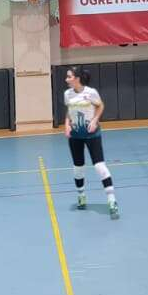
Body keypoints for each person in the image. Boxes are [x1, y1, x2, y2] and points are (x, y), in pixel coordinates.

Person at [61, 67, 118, 218]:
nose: (66, 79)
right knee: (78, 168)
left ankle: (111, 200)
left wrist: (94, 120)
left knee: (99, 166)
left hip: (92, 135)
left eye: (69, 77)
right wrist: (66, 124)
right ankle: (81, 195)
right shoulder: (67, 94)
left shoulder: (91, 92)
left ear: (77, 78)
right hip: (75, 136)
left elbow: (100, 105)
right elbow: (69, 110)